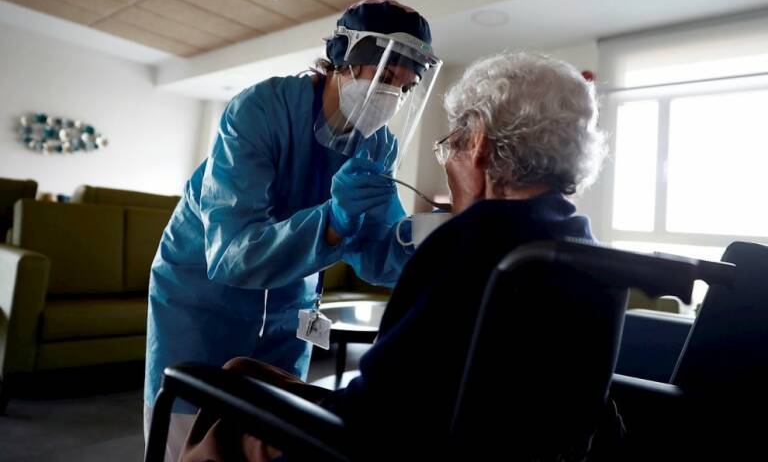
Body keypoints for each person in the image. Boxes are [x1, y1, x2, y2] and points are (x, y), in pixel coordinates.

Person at [179, 51, 619, 461]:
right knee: (242, 371)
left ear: (479, 143)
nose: (447, 160)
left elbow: (372, 416)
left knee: (221, 400)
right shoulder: (588, 254)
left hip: (371, 446)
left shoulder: (465, 246)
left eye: (451, 144)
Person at [143, 0, 442, 460]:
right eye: (385, 76)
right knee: (188, 438)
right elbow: (232, 255)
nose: (392, 97)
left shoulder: (378, 144)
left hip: (291, 303)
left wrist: (420, 242)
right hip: (202, 300)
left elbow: (375, 258)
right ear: (342, 58)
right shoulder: (261, 110)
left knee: (276, 435)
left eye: (404, 87)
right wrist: (333, 221)